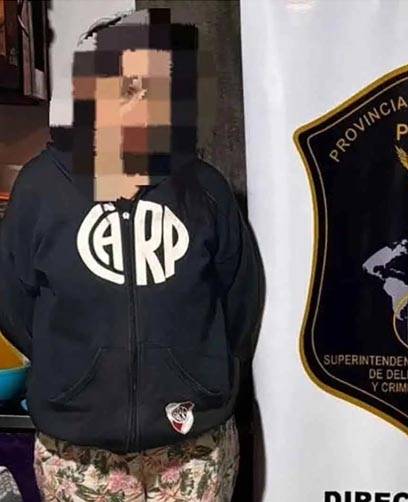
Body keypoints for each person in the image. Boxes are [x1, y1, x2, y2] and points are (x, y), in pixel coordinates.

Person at [0, 9, 263, 501]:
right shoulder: (40, 188)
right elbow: (15, 305)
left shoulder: (205, 187)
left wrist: (191, 374)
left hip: (193, 448)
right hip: (78, 454)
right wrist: (83, 374)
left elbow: (239, 305)